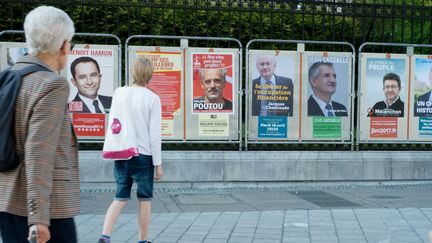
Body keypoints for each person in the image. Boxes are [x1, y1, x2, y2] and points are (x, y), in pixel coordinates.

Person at [0, 6, 79, 243]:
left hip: (6, 199)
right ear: (64, 46)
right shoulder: (52, 85)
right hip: (45, 210)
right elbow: (39, 153)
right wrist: (38, 219)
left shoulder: (9, 76)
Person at [98, 57, 163, 243]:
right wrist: (158, 165)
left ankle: (105, 236)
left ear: (132, 72)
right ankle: (143, 241)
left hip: (122, 151)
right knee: (144, 199)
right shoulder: (153, 98)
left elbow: (114, 122)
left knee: (119, 197)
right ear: (150, 75)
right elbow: (154, 135)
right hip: (143, 155)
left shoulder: (119, 93)